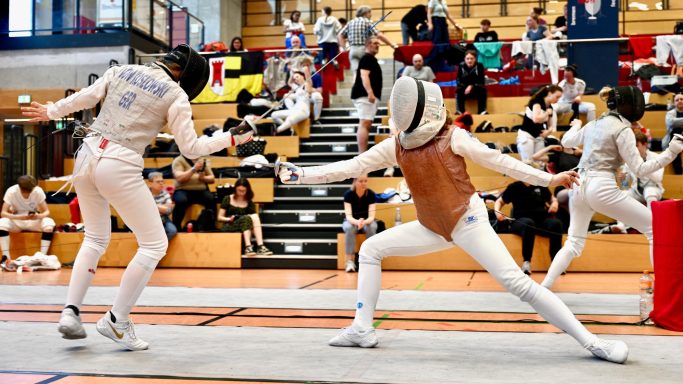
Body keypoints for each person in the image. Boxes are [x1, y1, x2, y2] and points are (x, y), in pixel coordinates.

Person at [278, 76, 629, 364]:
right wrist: (302, 175)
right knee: (370, 249)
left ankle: (592, 342)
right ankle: (361, 328)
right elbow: (350, 167)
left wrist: (549, 179)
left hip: (468, 221)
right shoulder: (395, 145)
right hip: (432, 226)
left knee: (519, 286)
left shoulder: (454, 136)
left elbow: (500, 162)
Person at [21, 44, 254, 350]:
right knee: (155, 243)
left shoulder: (121, 70)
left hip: (86, 156)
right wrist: (232, 137)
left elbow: (85, 98)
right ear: (187, 74)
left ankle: (70, 312)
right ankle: (117, 319)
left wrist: (51, 111)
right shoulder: (176, 95)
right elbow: (191, 149)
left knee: (94, 239)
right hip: (119, 163)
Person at [541, 86, 683, 289]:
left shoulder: (594, 123)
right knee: (654, 228)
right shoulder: (623, 130)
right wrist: (671, 152)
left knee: (573, 242)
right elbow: (641, 169)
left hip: (578, 186)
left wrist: (576, 125)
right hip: (600, 186)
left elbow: (566, 140)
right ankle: (663, 290)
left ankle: (543, 288)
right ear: (629, 106)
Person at [494, 181, 563, 275]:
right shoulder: (514, 186)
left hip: (541, 221)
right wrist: (497, 212)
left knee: (556, 224)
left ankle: (556, 263)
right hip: (520, 221)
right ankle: (526, 262)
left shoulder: (540, 185)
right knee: (529, 224)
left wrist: (555, 203)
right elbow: (500, 201)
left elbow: (552, 199)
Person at [0, 175, 55, 271]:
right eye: (25, 191)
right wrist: (19, 217)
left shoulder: (38, 191)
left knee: (49, 224)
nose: (27, 193)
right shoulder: (11, 191)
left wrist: (38, 216)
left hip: (34, 220)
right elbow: (3, 213)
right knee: (2, 223)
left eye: (30, 190)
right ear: (20, 187)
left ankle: (42, 257)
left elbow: (47, 212)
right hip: (17, 220)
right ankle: (6, 258)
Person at [217, 178, 272, 256]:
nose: (241, 193)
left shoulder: (249, 201)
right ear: (235, 189)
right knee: (247, 219)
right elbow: (219, 217)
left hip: (245, 225)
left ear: (247, 190)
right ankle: (249, 247)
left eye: (243, 191)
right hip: (230, 224)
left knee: (253, 216)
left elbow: (254, 219)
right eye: (239, 190)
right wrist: (229, 219)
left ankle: (260, 246)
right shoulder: (227, 198)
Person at [338, 6, 398, 72]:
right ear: (365, 13)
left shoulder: (351, 22)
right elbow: (379, 35)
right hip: (363, 50)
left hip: (352, 51)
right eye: (370, 13)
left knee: (356, 74)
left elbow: (340, 35)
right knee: (366, 73)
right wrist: (392, 45)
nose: (371, 15)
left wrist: (343, 48)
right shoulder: (367, 22)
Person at [351, 36, 382, 153]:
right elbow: (364, 76)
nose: (377, 45)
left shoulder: (370, 59)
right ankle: (362, 157)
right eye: (375, 43)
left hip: (367, 96)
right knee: (365, 123)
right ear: (368, 45)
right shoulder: (367, 58)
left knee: (366, 124)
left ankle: (362, 157)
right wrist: (370, 93)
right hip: (365, 96)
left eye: (378, 43)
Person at [517, 85, 562, 162]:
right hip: (527, 135)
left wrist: (549, 131)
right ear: (550, 93)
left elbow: (550, 125)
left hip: (539, 137)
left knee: (539, 163)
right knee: (528, 162)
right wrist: (547, 113)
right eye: (557, 97)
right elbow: (536, 119)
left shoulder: (550, 107)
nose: (558, 100)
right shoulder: (537, 102)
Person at [342, 175, 377, 272]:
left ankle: (371, 259)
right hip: (352, 221)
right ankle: (349, 261)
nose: (364, 183)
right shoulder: (348, 194)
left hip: (367, 221)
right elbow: (348, 216)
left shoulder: (371, 194)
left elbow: (371, 217)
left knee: (372, 227)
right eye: (361, 181)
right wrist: (357, 222)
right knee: (349, 228)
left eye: (365, 181)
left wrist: (363, 222)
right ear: (355, 182)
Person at [171, 155, 216, 231]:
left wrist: (203, 178)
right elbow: (179, 178)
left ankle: (209, 226)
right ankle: (176, 226)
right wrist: (194, 169)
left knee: (211, 199)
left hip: (200, 191)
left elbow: (212, 178)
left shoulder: (202, 160)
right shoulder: (179, 160)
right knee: (181, 200)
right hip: (183, 190)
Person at [427, 0, 459, 71]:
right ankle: (435, 63)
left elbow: (448, 15)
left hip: (443, 21)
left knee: (446, 42)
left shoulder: (444, 1)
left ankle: (445, 62)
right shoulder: (433, 1)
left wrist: (456, 24)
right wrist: (430, 23)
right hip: (436, 20)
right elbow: (429, 13)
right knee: (437, 41)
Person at [456, 50, 487, 115]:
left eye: (472, 58)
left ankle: (482, 111)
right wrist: (465, 87)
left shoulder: (479, 66)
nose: (469, 61)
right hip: (464, 90)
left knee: (483, 90)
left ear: (475, 59)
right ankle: (460, 111)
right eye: (467, 59)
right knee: (458, 91)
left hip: (476, 89)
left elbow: (482, 81)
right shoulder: (461, 66)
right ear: (465, 59)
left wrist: (471, 86)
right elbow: (458, 81)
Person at [147, 172, 177, 241]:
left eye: (162, 181)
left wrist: (152, 205)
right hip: (149, 219)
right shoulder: (145, 194)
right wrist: (163, 206)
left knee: (172, 231)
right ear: (150, 183)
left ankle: (161, 248)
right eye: (158, 182)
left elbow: (169, 211)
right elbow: (144, 210)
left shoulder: (165, 193)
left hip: (163, 218)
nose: (161, 183)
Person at [664, 92, 683, 174]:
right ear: (674, 103)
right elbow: (671, 123)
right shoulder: (670, 113)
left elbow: (675, 122)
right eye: (677, 100)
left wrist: (678, 122)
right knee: (674, 149)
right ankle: (678, 174)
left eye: (682, 99)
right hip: (674, 139)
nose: (679, 101)